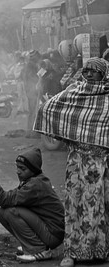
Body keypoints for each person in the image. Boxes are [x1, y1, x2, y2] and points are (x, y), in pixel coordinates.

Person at [34, 57, 109, 267]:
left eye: (95, 71)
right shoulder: (74, 91)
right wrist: (66, 134)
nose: (90, 74)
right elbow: (50, 108)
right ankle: (72, 252)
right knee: (74, 204)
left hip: (101, 161)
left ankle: (99, 250)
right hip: (77, 160)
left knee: (98, 205)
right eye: (87, 70)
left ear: (103, 73)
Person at [0, 148, 65, 263]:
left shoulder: (35, 185)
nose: (18, 171)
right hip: (49, 230)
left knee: (11, 212)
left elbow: (5, 199)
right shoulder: (33, 180)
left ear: (33, 170)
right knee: (2, 213)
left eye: (22, 169)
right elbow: (9, 198)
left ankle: (39, 250)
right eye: (17, 167)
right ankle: (30, 244)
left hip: (53, 235)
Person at [22, 50, 41, 138]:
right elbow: (31, 77)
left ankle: (30, 131)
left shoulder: (29, 65)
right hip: (31, 90)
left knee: (32, 112)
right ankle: (31, 131)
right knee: (33, 111)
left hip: (29, 90)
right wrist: (39, 79)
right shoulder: (31, 66)